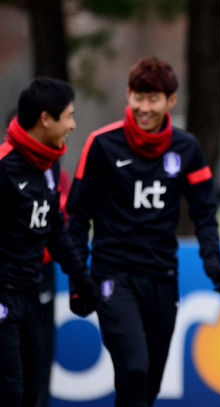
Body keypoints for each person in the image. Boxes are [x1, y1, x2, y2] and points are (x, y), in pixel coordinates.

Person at [66, 57, 220, 407]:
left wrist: (212, 260)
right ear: (128, 95)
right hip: (113, 276)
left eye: (153, 99)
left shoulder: (187, 148)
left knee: (149, 384)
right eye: (138, 97)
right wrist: (79, 280)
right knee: (134, 369)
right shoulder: (102, 144)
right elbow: (77, 216)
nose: (144, 107)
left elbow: (204, 210)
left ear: (171, 100)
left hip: (162, 276)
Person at [0, 78, 99, 407]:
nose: (73, 125)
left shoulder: (49, 164)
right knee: (10, 390)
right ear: (46, 119)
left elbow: (55, 229)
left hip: (31, 293)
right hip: (4, 296)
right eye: (69, 116)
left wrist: (81, 278)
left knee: (34, 388)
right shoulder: (4, 166)